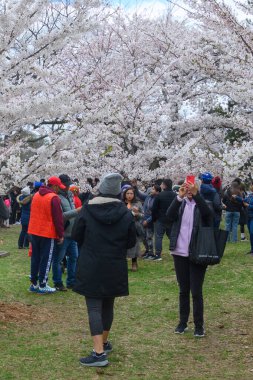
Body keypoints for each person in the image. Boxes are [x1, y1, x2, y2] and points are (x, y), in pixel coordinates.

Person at [71, 173, 136, 367]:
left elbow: (76, 235)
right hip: (114, 263)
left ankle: (98, 353)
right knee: (108, 305)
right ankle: (104, 343)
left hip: (91, 262)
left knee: (94, 307)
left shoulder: (88, 209)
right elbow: (131, 241)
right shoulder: (125, 212)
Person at [166, 181, 214, 337]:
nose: (188, 191)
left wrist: (197, 195)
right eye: (186, 188)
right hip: (179, 252)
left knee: (196, 291)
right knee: (183, 290)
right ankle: (182, 322)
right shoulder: (180, 204)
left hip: (197, 252)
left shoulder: (203, 203)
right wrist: (178, 197)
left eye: (191, 188)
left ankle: (199, 325)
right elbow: (169, 216)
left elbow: (209, 216)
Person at [28, 176, 65, 294]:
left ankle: (34, 284)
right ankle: (43, 284)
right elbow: (58, 219)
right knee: (46, 258)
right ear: (54, 186)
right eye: (58, 187)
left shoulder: (36, 195)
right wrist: (60, 235)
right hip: (47, 232)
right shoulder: (53, 198)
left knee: (35, 258)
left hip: (34, 230)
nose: (59, 189)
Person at [52, 174, 81, 291]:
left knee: (74, 257)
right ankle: (58, 282)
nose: (68, 187)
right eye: (66, 185)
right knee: (58, 259)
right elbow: (60, 217)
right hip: (63, 233)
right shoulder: (56, 198)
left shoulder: (70, 195)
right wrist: (77, 211)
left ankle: (71, 281)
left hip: (72, 233)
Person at [151, 178, 176, 261]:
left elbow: (154, 209)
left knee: (158, 237)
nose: (161, 185)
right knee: (172, 236)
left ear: (164, 185)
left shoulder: (159, 195)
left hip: (160, 219)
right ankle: (174, 251)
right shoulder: (175, 195)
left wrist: (154, 218)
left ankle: (158, 254)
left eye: (162, 184)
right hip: (172, 219)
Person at [122, 186, 144, 271]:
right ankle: (122, 263)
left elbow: (143, 216)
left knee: (134, 245)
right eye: (127, 193)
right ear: (124, 194)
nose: (129, 195)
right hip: (123, 227)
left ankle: (134, 263)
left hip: (134, 227)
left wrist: (137, 213)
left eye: (131, 193)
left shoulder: (137, 203)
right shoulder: (121, 203)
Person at [233, 181, 253, 255]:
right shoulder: (250, 195)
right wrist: (237, 197)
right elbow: (244, 201)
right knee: (251, 234)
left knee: (252, 232)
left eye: (251, 185)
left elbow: (247, 204)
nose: (250, 186)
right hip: (249, 217)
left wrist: (249, 206)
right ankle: (252, 249)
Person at [142, 184, 161, 260]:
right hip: (145, 219)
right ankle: (148, 251)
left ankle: (151, 253)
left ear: (157, 192)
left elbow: (155, 213)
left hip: (152, 221)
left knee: (149, 237)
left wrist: (148, 220)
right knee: (144, 237)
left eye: (153, 189)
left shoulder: (158, 199)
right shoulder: (148, 197)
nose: (151, 190)